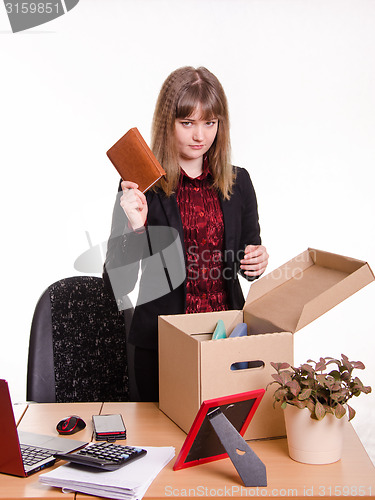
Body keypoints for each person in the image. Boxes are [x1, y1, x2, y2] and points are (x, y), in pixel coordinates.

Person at [103, 66, 269, 402]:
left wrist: (256, 261)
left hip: (227, 344)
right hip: (163, 347)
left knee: (222, 443)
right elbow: (117, 286)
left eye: (210, 122)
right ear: (168, 122)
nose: (200, 136)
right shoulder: (141, 185)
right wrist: (136, 230)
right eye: (187, 123)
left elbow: (245, 263)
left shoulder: (239, 183)